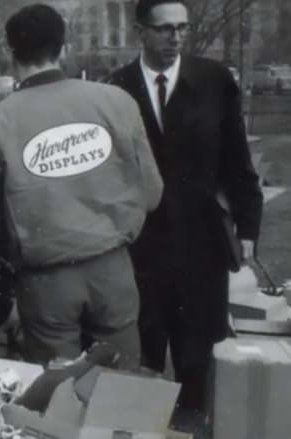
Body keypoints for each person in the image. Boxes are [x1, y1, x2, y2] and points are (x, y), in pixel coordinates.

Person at [0, 4, 163, 369]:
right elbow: (152, 194)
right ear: (62, 46)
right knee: (123, 386)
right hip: (113, 269)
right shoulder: (116, 101)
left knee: (57, 400)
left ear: (10, 51)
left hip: (46, 281)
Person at [106, 0, 264, 418]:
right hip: (141, 247)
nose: (175, 37)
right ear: (140, 31)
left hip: (201, 244)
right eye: (164, 29)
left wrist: (247, 229)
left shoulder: (214, 80)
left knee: (199, 356)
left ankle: (197, 421)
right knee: (142, 357)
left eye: (182, 28)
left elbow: (237, 161)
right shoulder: (115, 89)